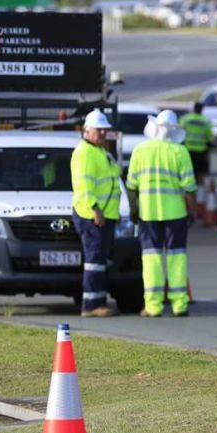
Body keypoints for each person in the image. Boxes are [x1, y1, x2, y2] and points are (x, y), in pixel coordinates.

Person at [126, 110, 197, 317]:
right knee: (177, 257)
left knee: (151, 259)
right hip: (176, 213)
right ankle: (179, 304)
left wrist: (133, 209)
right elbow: (190, 187)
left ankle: (153, 306)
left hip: (148, 213)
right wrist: (192, 210)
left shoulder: (140, 151)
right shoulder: (180, 152)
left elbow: (131, 186)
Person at [71, 109, 123, 318]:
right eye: (98, 130)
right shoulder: (85, 153)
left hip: (104, 215)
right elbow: (84, 186)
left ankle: (99, 302)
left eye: (104, 130)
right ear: (87, 130)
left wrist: (114, 212)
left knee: (100, 261)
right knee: (94, 261)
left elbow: (111, 182)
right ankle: (90, 305)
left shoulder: (100, 152)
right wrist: (95, 208)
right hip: (92, 215)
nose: (102, 133)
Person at [180, 101, 214, 183]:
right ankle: (200, 186)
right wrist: (210, 142)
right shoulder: (205, 120)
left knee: (189, 169)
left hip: (188, 149)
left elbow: (180, 131)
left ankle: (189, 184)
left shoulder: (185, 119)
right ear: (201, 110)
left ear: (193, 109)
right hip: (201, 150)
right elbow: (209, 135)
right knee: (200, 171)